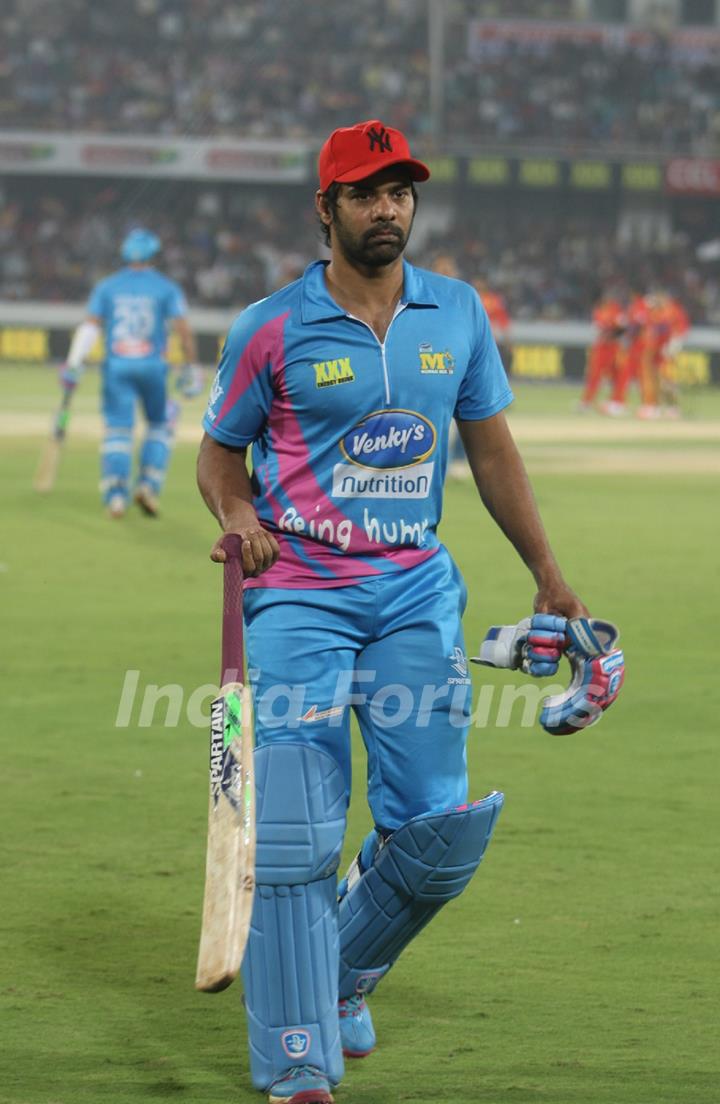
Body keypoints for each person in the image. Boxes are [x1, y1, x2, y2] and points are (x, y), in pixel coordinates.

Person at [197, 119, 589, 1104]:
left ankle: (337, 975)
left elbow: (493, 452)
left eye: (401, 191)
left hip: (416, 594)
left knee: (435, 834)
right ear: (325, 208)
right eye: (368, 193)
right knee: (294, 828)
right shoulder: (270, 326)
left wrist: (545, 568)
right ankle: (297, 1058)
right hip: (298, 596)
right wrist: (239, 511)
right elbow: (218, 454)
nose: (389, 209)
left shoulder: (455, 313)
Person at [60, 227, 200, 517]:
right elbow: (182, 330)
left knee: (117, 430)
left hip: (117, 366)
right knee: (160, 424)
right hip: (152, 366)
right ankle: (148, 483)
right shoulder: (165, 287)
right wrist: (191, 365)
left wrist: (74, 363)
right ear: (154, 254)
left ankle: (115, 496)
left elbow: (89, 328)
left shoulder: (108, 286)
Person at [579, 288, 627, 414]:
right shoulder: (598, 311)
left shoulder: (615, 309)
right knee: (594, 375)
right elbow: (598, 329)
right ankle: (587, 402)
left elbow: (622, 328)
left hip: (614, 347)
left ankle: (617, 403)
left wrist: (611, 334)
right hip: (601, 347)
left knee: (618, 375)